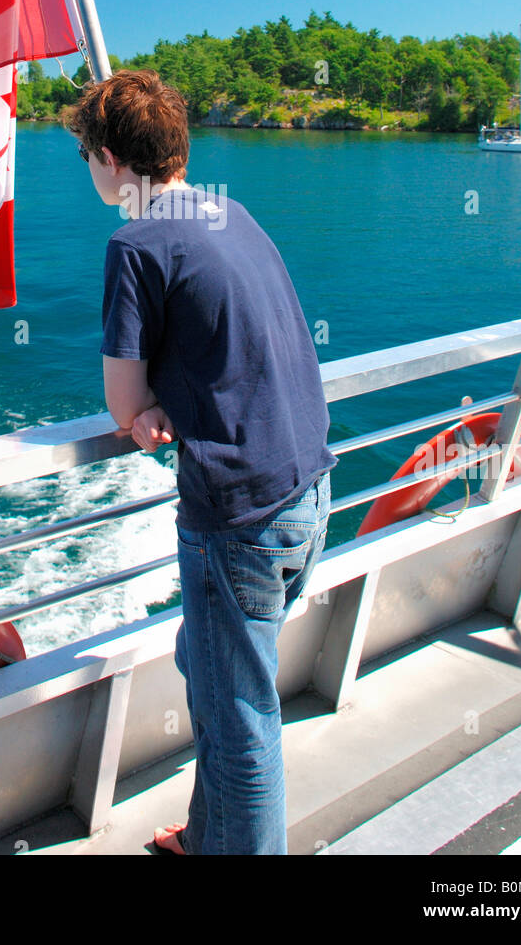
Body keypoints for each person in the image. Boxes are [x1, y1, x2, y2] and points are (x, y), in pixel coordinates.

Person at [67, 69, 337, 855]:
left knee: (242, 719)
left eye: (88, 154)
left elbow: (123, 404)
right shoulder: (234, 213)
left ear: (112, 158)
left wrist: (146, 409)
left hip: (239, 518)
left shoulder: (134, 244)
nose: (89, 169)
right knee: (209, 667)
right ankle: (210, 832)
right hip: (308, 486)